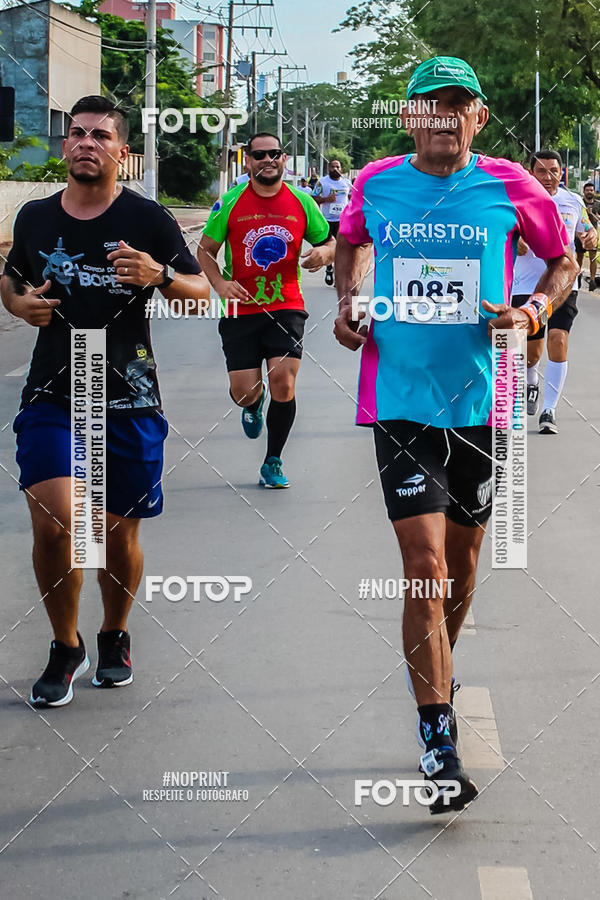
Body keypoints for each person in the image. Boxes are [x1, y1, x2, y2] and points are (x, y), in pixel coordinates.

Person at [334, 56, 576, 813]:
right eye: (427, 105)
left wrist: (532, 313)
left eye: (457, 105)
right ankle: (437, 732)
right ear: (408, 117)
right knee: (426, 563)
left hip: (485, 400)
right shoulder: (375, 183)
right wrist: (348, 302)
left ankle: (436, 665)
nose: (442, 116)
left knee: (464, 569)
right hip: (400, 399)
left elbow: (562, 264)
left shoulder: (511, 184)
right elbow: (347, 242)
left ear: (478, 116)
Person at [0, 96, 210, 707]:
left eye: (100, 135)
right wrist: (17, 305)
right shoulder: (37, 217)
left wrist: (160, 276)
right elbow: (11, 279)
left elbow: (199, 294)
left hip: (127, 392)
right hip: (53, 390)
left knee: (116, 535)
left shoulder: (148, 219)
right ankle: (65, 646)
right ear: (66, 146)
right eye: (77, 134)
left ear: (122, 150)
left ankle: (114, 632)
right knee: (58, 517)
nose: (86, 143)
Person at [198, 132, 334, 488]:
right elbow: (205, 251)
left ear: (284, 159)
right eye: (259, 155)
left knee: (283, 383)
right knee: (245, 390)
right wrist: (220, 284)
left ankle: (273, 460)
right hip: (240, 309)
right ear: (248, 161)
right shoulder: (230, 202)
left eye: (274, 153)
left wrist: (325, 254)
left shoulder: (302, 201)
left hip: (287, 305)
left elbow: (330, 242)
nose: (267, 160)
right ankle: (252, 404)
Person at [512, 151, 597, 433]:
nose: (548, 177)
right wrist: (517, 239)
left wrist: (590, 236)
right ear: (531, 172)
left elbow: (588, 231)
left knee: (558, 341)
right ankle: (531, 381)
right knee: (532, 354)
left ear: (561, 173)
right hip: (526, 287)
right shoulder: (517, 200)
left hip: (563, 286)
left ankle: (549, 411)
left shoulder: (572, 201)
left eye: (553, 171)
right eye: (541, 171)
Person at [313, 159, 352, 286]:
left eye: (338, 166)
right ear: (328, 168)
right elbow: (313, 198)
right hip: (327, 220)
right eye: (332, 167)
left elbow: (352, 197)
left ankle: (338, 275)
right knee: (329, 246)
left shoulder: (346, 183)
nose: (335, 169)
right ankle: (329, 268)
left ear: (341, 169)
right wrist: (325, 199)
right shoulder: (322, 182)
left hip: (343, 220)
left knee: (342, 248)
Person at [576, 182, 600, 291]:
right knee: (579, 257)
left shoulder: (597, 204)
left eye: (591, 190)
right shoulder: (579, 202)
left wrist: (593, 215)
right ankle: (577, 275)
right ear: (584, 191)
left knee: (593, 258)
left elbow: (598, 219)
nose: (589, 192)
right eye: (587, 190)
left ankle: (592, 279)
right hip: (580, 234)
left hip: (592, 234)